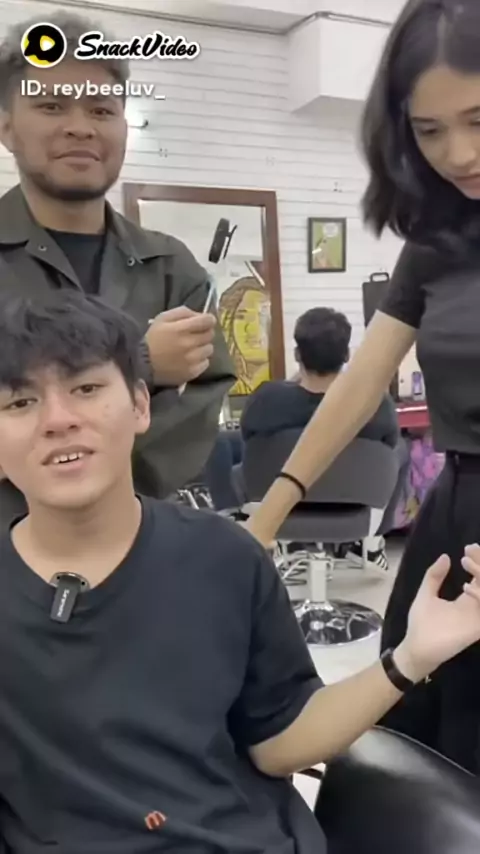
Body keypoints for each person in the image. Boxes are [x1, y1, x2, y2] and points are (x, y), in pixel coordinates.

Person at [2, 289, 480, 853]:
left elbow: (279, 738)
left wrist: (411, 657)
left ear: (139, 404)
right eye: (21, 401)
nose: (58, 420)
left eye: (85, 388)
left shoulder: (224, 558)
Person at [244, 0, 480, 773]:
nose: (458, 155)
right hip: (459, 515)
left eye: (479, 121)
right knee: (421, 746)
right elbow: (362, 382)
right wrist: (265, 518)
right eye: (429, 130)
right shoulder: (439, 240)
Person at [0, 12, 235, 529]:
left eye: (102, 109)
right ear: (7, 127)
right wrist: (142, 365)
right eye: (51, 105)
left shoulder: (170, 268)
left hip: (139, 543)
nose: (80, 126)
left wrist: (77, 463)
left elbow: (198, 406)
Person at [241, 307, 403, 570]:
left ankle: (250, 532)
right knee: (399, 453)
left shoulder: (266, 399)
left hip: (278, 513)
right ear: (347, 355)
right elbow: (390, 444)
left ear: (297, 355)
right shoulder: (375, 404)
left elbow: (247, 438)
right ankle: (373, 543)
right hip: (353, 516)